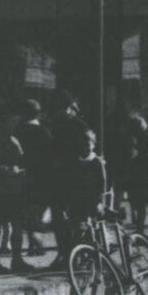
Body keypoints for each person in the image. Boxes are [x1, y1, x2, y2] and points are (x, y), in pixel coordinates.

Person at [0, 110, 32, 275]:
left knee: (17, 226)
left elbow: (21, 159)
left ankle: (16, 259)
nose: (13, 126)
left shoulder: (13, 141)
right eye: (11, 122)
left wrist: (20, 171)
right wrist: (7, 170)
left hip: (14, 189)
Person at [48, 96, 93, 269]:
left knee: (76, 217)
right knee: (60, 218)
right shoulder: (56, 125)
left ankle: (80, 254)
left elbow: (85, 150)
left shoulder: (78, 125)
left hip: (75, 177)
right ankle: (65, 253)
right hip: (60, 178)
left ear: (68, 108)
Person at [12, 98, 53, 256]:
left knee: (27, 208)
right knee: (41, 209)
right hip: (41, 175)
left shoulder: (18, 131)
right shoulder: (44, 131)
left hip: (23, 174)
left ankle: (31, 241)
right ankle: (37, 237)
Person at [119, 113, 148, 243]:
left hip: (139, 188)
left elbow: (130, 173)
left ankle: (140, 235)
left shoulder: (136, 159)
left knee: (141, 213)